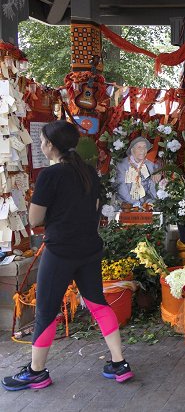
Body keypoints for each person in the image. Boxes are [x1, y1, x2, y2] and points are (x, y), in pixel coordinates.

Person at [2, 120, 133, 391]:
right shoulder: (88, 172)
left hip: (60, 251)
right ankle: (119, 364)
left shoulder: (50, 176)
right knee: (98, 303)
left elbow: (36, 218)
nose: (41, 145)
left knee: (46, 312)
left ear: (50, 145)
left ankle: (37, 371)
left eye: (42, 142)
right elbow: (95, 208)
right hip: (89, 248)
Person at [114, 137, 159, 208]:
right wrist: (135, 203)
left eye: (145, 147)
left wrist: (158, 172)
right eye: (139, 147)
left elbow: (153, 186)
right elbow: (121, 187)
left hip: (147, 203)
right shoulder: (122, 164)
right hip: (126, 203)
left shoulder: (150, 164)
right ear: (132, 150)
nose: (143, 150)